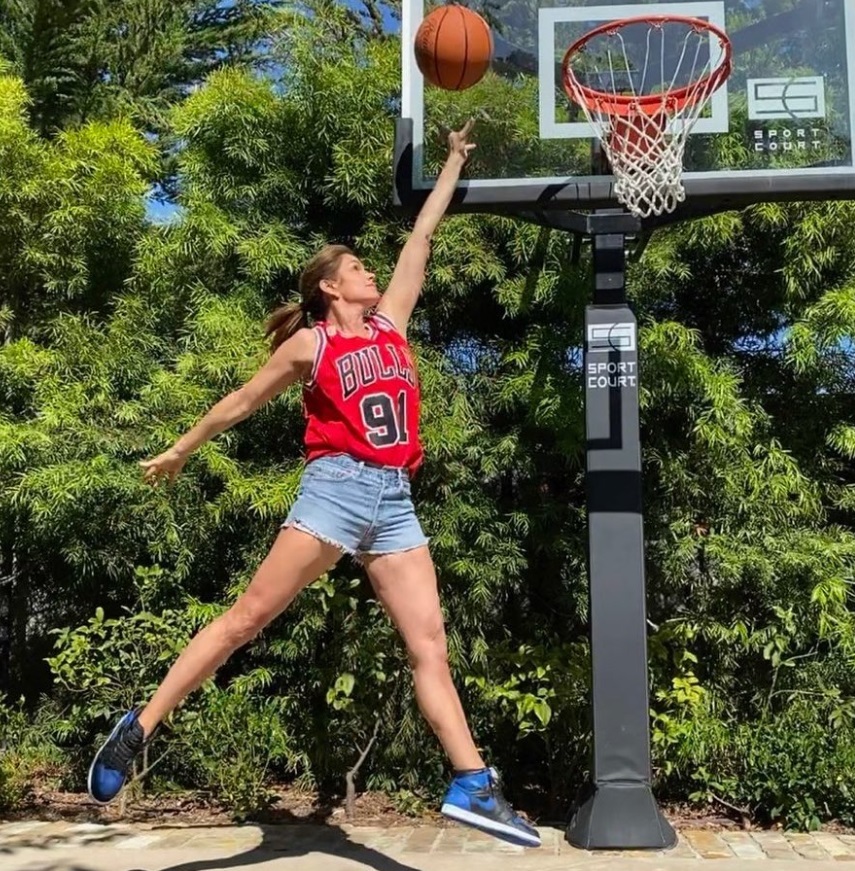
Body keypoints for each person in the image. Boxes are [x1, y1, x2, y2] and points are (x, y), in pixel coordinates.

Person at [87, 120, 540, 848]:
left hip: (393, 500)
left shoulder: (391, 326)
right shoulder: (312, 342)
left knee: (430, 646)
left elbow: (420, 239)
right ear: (331, 286)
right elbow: (239, 401)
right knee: (246, 622)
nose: (369, 273)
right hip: (334, 489)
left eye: (368, 267)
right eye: (356, 267)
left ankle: (471, 782)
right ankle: (138, 725)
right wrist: (180, 450)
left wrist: (452, 160)